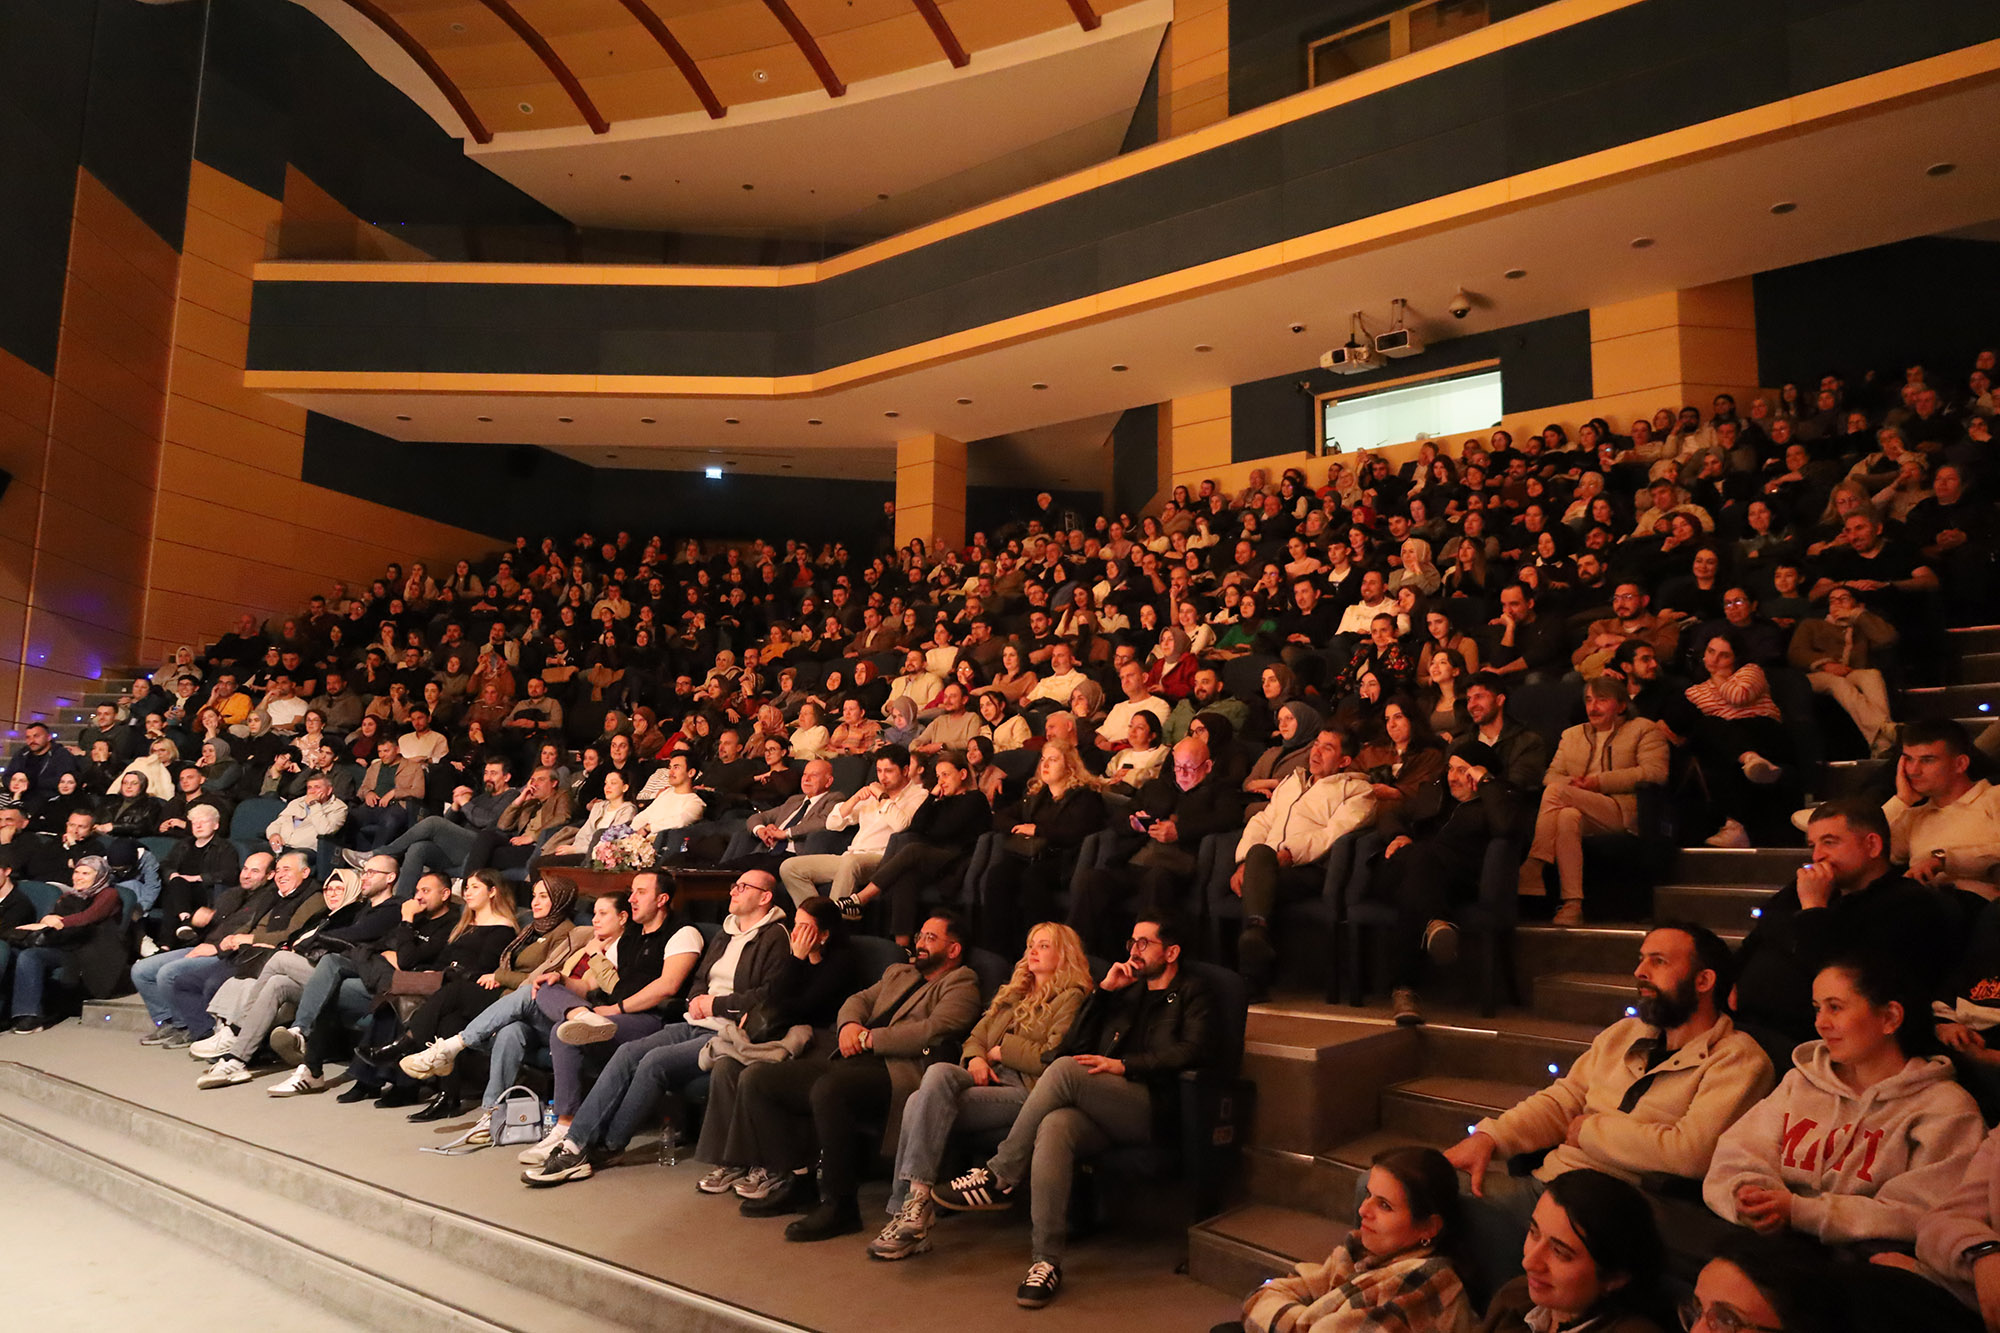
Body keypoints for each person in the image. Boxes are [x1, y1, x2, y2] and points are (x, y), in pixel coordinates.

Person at [934, 914, 1218, 1309]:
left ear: (1171, 953)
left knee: (1065, 1073)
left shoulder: (1194, 991)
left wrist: (1126, 1065)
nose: (1133, 951)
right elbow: (1072, 1045)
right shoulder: (1128, 992)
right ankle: (1045, 1261)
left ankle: (999, 1174)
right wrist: (1104, 992)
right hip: (1106, 1104)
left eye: (1144, 944)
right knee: (1055, 1124)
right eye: (1131, 942)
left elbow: (1194, 1051)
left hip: (1154, 1106)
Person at [1444, 925, 1773, 1262]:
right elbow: (1563, 1100)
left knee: (1439, 1209)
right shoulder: (1626, 1033)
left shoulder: (1738, 1059)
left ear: (1703, 981)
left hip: (1616, 1214)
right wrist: (1490, 1137)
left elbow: (1690, 1152)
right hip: (1552, 1188)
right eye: (1641, 959)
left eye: (1658, 962)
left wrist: (1587, 1130)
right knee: (1426, 1183)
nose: (1639, 972)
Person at [398, 874, 704, 1154]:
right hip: (600, 1016)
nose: (633, 898)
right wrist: (561, 980)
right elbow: (587, 984)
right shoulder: (629, 937)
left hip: (647, 1020)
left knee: (562, 1033)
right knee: (524, 1012)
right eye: (632, 892)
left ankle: (562, 1124)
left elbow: (667, 986)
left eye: (640, 892)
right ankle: (491, 1114)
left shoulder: (683, 932)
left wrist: (615, 1008)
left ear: (662, 899)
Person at [521, 871, 790, 1186]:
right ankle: (574, 1143)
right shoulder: (725, 932)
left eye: (742, 887)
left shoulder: (775, 936)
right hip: (693, 1020)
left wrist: (714, 1006)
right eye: (734, 885)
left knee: (653, 1061)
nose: (733, 891)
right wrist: (696, 1001)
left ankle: (603, 1147)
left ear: (765, 896)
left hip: (729, 1032)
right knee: (627, 1052)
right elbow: (700, 980)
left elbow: (768, 995)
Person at [1704, 954, 1984, 1248]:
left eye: (1835, 1008)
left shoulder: (1946, 1108)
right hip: (1777, 1246)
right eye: (1817, 1009)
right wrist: (1752, 1197)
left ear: (1890, 1018)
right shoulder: (1801, 1081)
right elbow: (1737, 1153)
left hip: (1868, 1270)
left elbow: (1925, 1214)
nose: (1820, 1023)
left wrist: (1799, 1211)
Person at [731, 913, 981, 1240]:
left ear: (954, 950)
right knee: (759, 1080)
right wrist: (850, 1025)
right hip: (855, 1060)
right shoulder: (899, 972)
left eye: (931, 939)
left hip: (900, 1071)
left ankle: (841, 1206)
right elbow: (857, 1000)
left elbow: (934, 1030)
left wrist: (869, 1039)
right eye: (919, 936)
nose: (920, 943)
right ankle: (800, 1179)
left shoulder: (962, 982)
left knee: (830, 1089)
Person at [870, 922, 1093, 1261]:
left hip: (1029, 1094)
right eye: (1031, 944)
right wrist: (975, 1058)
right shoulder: (1015, 992)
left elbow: (1053, 1058)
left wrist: (1003, 1050)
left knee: (918, 1100)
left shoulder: (1073, 998)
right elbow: (976, 1037)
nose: (1033, 951)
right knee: (933, 1080)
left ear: (1065, 954)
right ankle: (916, 1203)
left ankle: (909, 1211)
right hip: (988, 1080)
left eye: (1044, 946)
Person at [1731, 797, 1955, 1068]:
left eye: (1830, 842)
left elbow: (1842, 975)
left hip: (1812, 1042)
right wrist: (1733, 979)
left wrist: (1814, 907)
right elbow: (1760, 934)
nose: (1817, 856)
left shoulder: (1908, 904)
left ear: (1872, 845)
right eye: (1813, 846)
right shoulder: (1809, 886)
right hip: (1745, 1024)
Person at [1223, 1147, 1476, 1333]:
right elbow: (1263, 1294)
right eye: (1368, 1195)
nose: (1363, 1210)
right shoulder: (1360, 1255)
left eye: (1385, 1205)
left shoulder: (1429, 1284)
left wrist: (1293, 1316)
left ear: (1429, 1228)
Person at [1368, 741, 1526, 1026]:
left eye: (1462, 770)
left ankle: (1405, 986)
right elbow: (1391, 813)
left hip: (1454, 882)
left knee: (1416, 885)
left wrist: (1487, 783)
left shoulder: (1501, 799)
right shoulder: (1436, 796)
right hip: (1399, 870)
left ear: (1480, 773)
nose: (1452, 776)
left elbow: (1505, 828)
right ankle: (1434, 924)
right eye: (1450, 768)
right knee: (1420, 860)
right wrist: (1399, 835)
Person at [1230, 726, 1376, 994]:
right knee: (1259, 857)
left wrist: (1290, 852)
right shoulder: (1292, 781)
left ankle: (1251, 975)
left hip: (1310, 869)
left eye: (1327, 748)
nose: (1316, 752)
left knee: (1258, 879)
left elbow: (1332, 835)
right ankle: (1257, 933)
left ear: (1344, 761)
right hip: (1266, 863)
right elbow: (1263, 820)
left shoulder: (1357, 791)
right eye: (1316, 744)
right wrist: (1243, 862)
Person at [1515, 679, 1669, 926]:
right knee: (1566, 817)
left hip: (1620, 809)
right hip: (1579, 805)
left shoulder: (1643, 729)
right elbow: (1550, 775)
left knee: (1557, 792)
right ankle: (1573, 905)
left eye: (1602, 700)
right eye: (1588, 700)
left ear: (1620, 706)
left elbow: (1654, 773)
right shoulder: (1572, 735)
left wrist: (1599, 782)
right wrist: (1574, 783)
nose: (1593, 707)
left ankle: (1534, 864)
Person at [1478, 1170, 1668, 1332]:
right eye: (1534, 1233)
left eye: (1560, 1252)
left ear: (1614, 1277)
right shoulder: (1515, 1296)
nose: (1528, 1262)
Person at [843, 752, 990, 942]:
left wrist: (933, 809)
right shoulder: (941, 801)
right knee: (906, 876)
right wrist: (931, 798)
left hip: (959, 860)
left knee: (913, 850)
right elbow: (916, 827)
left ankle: (861, 898)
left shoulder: (975, 798)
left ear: (962, 774)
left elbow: (943, 831)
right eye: (938, 776)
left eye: (946, 775)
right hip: (934, 859)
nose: (941, 781)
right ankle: (902, 946)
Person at [779, 746, 926, 909]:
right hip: (852, 856)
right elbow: (832, 823)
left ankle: (832, 920)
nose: (882, 777)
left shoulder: (919, 795)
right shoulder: (872, 792)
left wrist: (882, 797)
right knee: (790, 868)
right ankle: (818, 915)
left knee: (850, 862)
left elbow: (901, 825)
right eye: (879, 770)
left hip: (883, 859)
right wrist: (855, 799)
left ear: (905, 770)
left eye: (888, 771)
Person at [1885, 719, 2000, 916]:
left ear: (1960, 764)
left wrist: (1944, 859)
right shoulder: (1913, 817)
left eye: (1927, 760)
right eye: (1908, 760)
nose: (1913, 771)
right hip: (1924, 908)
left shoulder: (1994, 797)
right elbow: (1867, 847)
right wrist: (1901, 799)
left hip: (1981, 908)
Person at [6, 855, 127, 1031]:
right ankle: (27, 1015)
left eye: (86, 873)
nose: (78, 877)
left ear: (100, 876)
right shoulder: (69, 897)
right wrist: (47, 921)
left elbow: (88, 917)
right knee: (28, 955)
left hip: (94, 954)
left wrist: (55, 922)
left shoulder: (109, 894)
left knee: (34, 954)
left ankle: (37, 1015)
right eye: (76, 872)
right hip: (67, 948)